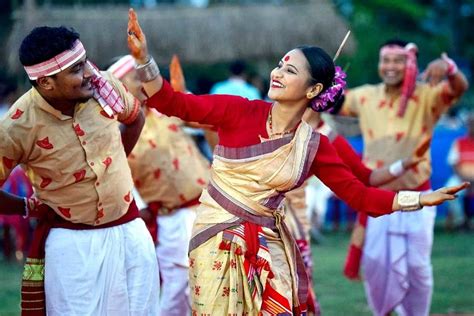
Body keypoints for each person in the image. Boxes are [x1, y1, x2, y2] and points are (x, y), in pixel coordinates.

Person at [127, 10, 468, 314]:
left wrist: (421, 199)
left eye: (289, 70)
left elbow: (360, 195)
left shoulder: (315, 145)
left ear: (312, 89)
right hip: (215, 241)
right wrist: (144, 60)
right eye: (279, 66)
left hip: (269, 244)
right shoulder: (238, 109)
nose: (277, 73)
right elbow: (171, 101)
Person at [0, 26, 160, 315]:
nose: (89, 72)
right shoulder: (17, 126)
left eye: (86, 61)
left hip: (131, 232)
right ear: (47, 83)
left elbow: (135, 119)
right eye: (76, 69)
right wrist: (26, 207)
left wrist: (116, 166)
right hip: (72, 245)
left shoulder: (105, 86)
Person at [340, 39, 469, 315]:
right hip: (378, 201)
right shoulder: (364, 96)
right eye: (386, 60)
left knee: (417, 267)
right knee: (374, 264)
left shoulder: (427, 94)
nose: (390, 66)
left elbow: (459, 87)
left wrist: (448, 66)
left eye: (398, 60)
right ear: (379, 63)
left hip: (419, 198)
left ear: (410, 63)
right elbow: (331, 103)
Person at [107, 53, 210, 315]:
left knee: (210, 281)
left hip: (208, 206)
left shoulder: (163, 109)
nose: (143, 82)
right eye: (134, 77)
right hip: (170, 216)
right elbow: (115, 175)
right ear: (118, 86)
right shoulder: (110, 128)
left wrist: (183, 93)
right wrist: (139, 207)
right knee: (179, 285)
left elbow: (202, 119)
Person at [447, 113, 474, 230]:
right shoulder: (459, 142)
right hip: (461, 177)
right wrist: (465, 178)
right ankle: (461, 222)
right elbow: (453, 163)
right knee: (450, 191)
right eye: (471, 124)